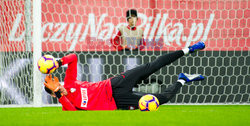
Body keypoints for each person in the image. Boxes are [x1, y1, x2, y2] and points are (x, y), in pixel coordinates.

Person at [44, 41, 205, 111]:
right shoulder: (66, 104)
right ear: (54, 94)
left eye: (57, 85)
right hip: (117, 102)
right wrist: (59, 95)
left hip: (113, 84)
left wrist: (58, 62)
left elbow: (73, 57)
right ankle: (182, 80)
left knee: (151, 66)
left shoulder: (70, 81)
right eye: (55, 90)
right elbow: (73, 113)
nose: (59, 88)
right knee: (159, 100)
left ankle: (188, 49)